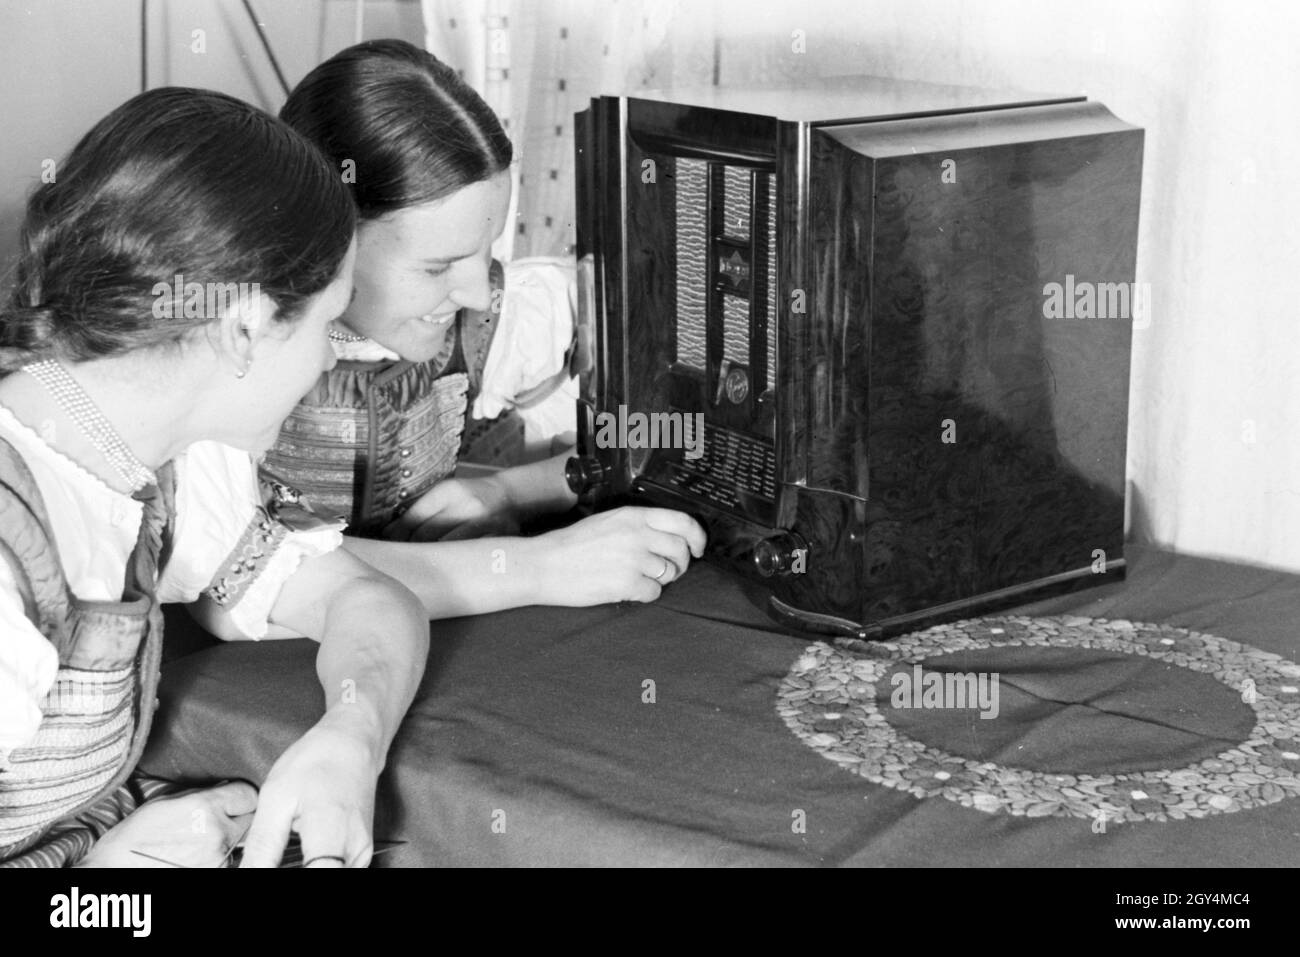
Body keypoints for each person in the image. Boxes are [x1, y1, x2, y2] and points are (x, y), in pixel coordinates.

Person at [0, 87, 428, 867]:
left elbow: (368, 600)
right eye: (328, 323)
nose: (332, 354)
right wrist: (101, 884)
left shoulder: (151, 458)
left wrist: (350, 734)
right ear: (244, 327)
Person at [264, 39, 706, 619]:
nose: (477, 292)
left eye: (487, 248)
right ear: (322, 242)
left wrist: (506, 491)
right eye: (437, 265)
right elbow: (248, 580)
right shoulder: (234, 351)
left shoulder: (500, 316)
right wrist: (538, 568)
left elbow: (679, 431)